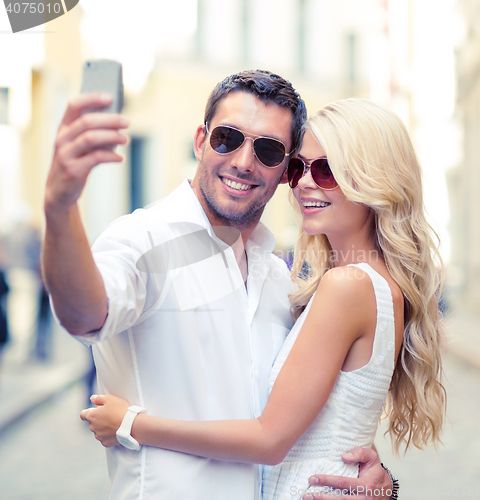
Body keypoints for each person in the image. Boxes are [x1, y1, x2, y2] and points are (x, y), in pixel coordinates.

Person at [44, 71, 394, 499]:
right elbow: (83, 312)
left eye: (267, 150)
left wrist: (377, 482)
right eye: (227, 138)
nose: (244, 162)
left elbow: (303, 422)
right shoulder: (144, 240)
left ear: (285, 171)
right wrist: (60, 210)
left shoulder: (281, 282)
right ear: (200, 140)